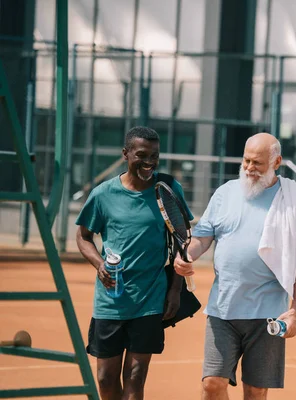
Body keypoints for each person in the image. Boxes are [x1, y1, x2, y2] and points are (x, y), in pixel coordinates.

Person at [174, 133, 296, 400]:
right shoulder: (225, 193)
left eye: (257, 163)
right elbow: (203, 237)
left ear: (277, 162)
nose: (249, 169)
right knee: (212, 384)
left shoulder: (294, 201)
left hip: (269, 314)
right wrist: (188, 255)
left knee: (255, 392)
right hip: (223, 309)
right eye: (246, 161)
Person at [75, 126, 193, 400]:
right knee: (105, 379)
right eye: (142, 155)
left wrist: (174, 290)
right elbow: (83, 237)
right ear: (125, 154)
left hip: (150, 298)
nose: (149, 162)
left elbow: (181, 239)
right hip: (111, 299)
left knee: (136, 376)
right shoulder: (104, 194)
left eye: (155, 155)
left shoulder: (167, 188)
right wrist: (99, 264)